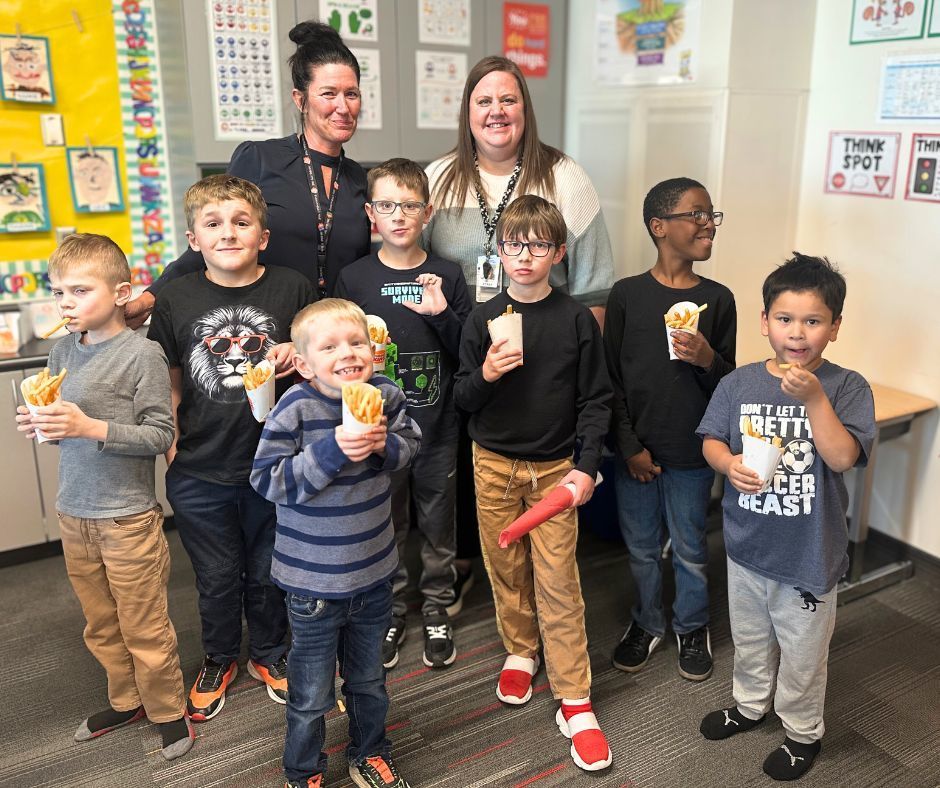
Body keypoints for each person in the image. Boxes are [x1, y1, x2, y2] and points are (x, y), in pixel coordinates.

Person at [424, 55, 617, 611]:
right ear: (467, 112)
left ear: (525, 110)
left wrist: (584, 370)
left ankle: (543, 567)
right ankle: (466, 563)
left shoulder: (564, 177)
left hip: (546, 349)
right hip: (460, 347)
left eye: (508, 100)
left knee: (536, 459)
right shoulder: (439, 177)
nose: (496, 111)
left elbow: (594, 286)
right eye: (483, 101)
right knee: (469, 460)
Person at [696, 254, 875, 781]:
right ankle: (751, 705)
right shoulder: (738, 384)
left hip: (809, 554)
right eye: (785, 318)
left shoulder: (845, 387)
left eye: (813, 321)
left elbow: (843, 457)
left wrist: (815, 398)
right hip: (748, 545)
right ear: (764, 322)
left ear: (835, 328)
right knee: (750, 638)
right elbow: (711, 439)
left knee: (802, 653)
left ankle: (802, 731)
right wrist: (728, 463)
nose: (797, 333)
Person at [14, 233, 193, 760]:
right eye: (58, 293)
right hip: (74, 512)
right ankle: (126, 699)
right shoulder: (62, 349)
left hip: (126, 520)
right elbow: (61, 425)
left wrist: (89, 426)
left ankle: (167, 712)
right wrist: (42, 424)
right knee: (100, 622)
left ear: (122, 292)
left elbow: (160, 435)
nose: (64, 304)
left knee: (144, 623)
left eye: (78, 291)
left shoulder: (144, 355)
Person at [147, 175, 316, 722]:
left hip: (276, 464)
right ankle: (219, 657)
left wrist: (302, 348)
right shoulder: (175, 296)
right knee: (217, 576)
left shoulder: (292, 287)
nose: (228, 234)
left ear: (262, 235)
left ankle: (268, 654)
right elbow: (170, 373)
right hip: (199, 467)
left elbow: (326, 356)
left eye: (241, 223)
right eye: (213, 225)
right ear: (193, 239)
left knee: (270, 571)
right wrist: (170, 443)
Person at [454, 196, 613, 772]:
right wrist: (489, 373)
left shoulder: (574, 318)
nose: (525, 255)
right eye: (515, 244)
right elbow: (461, 399)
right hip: (493, 461)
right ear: (498, 251)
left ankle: (575, 698)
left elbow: (597, 399)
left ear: (558, 253)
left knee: (558, 580)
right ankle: (521, 650)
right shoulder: (481, 317)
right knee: (507, 567)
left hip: (554, 469)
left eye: (539, 245)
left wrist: (586, 465)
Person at [251, 299, 420, 788]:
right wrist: (331, 451)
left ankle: (369, 751)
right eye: (329, 347)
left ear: (374, 349)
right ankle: (302, 769)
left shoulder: (385, 393)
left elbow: (411, 445)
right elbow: (268, 480)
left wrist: (381, 446)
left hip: (373, 574)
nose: (347, 353)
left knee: (369, 681)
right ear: (303, 364)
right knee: (309, 693)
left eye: (356, 342)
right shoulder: (295, 407)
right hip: (312, 585)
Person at [124, 21, 370, 325]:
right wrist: (148, 299)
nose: (343, 107)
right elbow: (214, 236)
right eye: (329, 93)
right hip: (264, 330)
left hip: (334, 340)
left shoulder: (358, 178)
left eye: (352, 94)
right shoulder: (259, 158)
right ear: (300, 99)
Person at [336, 158, 472, 671]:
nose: (398, 215)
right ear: (372, 213)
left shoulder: (448, 275)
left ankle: (437, 604)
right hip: (378, 431)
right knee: (386, 521)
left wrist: (441, 315)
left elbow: (466, 353)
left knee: (438, 522)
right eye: (387, 205)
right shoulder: (355, 277)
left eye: (409, 205)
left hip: (438, 427)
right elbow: (338, 353)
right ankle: (390, 607)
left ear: (427, 211)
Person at [604, 177, 736, 681]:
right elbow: (610, 380)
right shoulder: (627, 296)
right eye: (695, 214)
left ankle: (692, 624)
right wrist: (628, 446)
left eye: (711, 215)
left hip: (692, 453)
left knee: (690, 549)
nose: (708, 224)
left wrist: (707, 359)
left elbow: (729, 384)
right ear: (659, 227)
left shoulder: (718, 300)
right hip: (635, 452)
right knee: (639, 549)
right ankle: (648, 621)